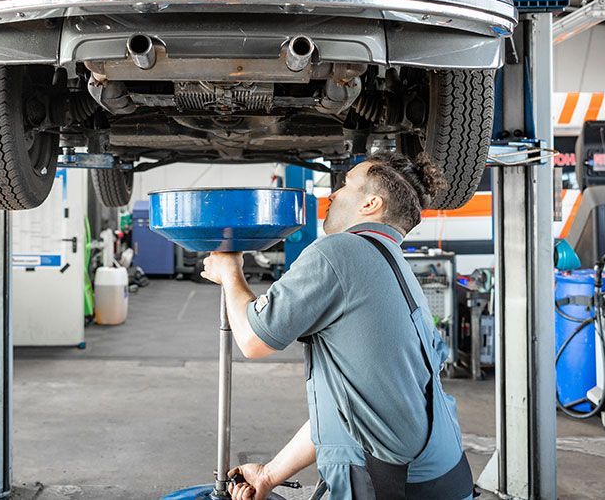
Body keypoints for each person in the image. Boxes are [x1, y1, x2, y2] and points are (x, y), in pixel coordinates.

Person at [201, 152, 474, 500]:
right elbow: (345, 414)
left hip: (388, 487)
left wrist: (230, 272)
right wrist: (269, 475)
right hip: (439, 480)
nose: (333, 195)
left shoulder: (340, 251)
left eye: (345, 185)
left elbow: (254, 339)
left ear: (371, 204)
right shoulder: (393, 264)